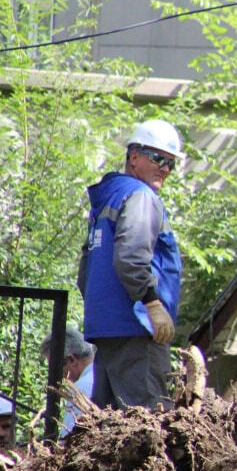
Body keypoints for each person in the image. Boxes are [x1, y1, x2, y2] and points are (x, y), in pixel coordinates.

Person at [78, 119, 184, 411]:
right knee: (148, 424)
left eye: (171, 163)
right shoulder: (141, 196)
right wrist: (151, 303)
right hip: (137, 329)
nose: (165, 168)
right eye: (158, 158)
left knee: (111, 429)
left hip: (108, 330)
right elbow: (131, 256)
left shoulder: (109, 197)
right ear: (133, 157)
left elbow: (85, 272)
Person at [40, 323, 97, 436]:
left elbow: (67, 441)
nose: (57, 375)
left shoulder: (80, 389)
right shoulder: (104, 375)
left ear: (71, 360)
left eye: (54, 368)